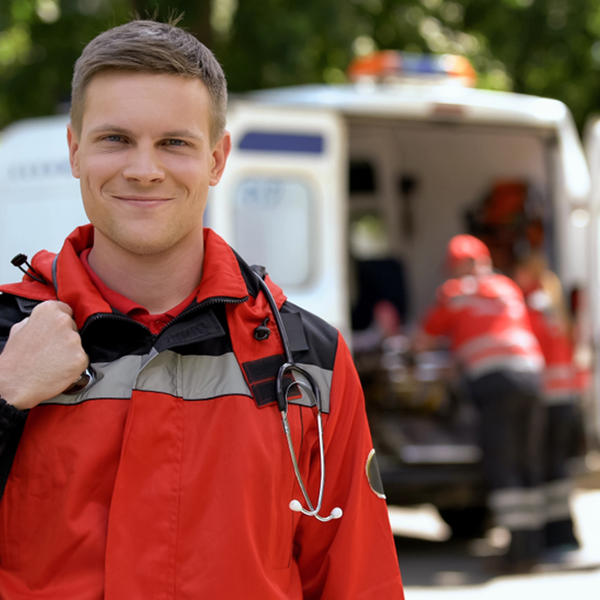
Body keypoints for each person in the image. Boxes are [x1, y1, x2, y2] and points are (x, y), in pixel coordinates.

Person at [0, 19, 404, 599]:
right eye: (116, 139)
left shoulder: (311, 361)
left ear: (217, 159)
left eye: (174, 143)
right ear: (75, 151)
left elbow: (358, 582)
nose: (144, 169)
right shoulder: (8, 339)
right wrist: (5, 397)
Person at [415, 234, 546, 572]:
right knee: (525, 462)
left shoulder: (455, 293)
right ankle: (531, 548)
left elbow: (423, 342)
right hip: (532, 377)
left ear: (464, 264)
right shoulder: (507, 286)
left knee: (501, 464)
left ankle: (516, 556)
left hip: (494, 383)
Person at [514, 253, 580, 555]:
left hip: (545, 397)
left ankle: (546, 537)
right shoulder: (553, 303)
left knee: (539, 467)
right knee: (557, 469)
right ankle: (562, 533)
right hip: (565, 396)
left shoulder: (532, 305)